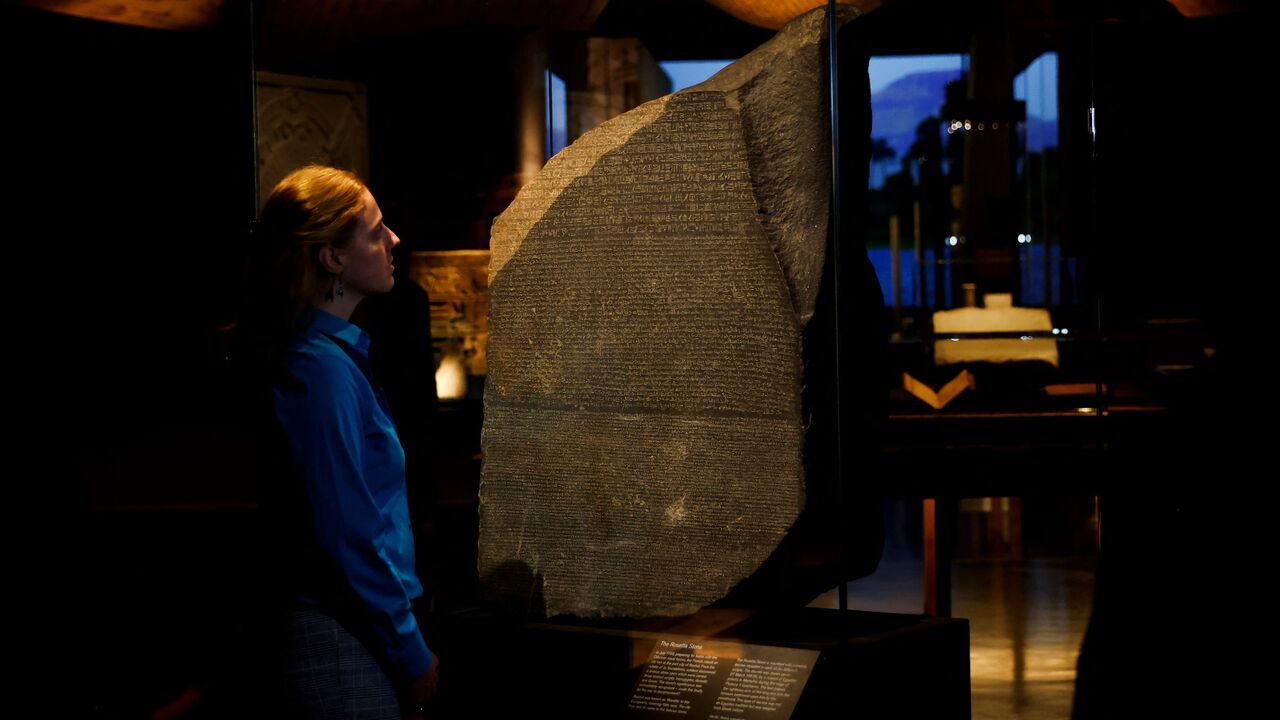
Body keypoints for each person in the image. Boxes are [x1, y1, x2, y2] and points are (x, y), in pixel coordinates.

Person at [252, 164, 439, 719]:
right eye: (376, 230)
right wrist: (409, 650)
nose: (394, 240)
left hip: (355, 629)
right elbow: (348, 530)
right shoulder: (321, 372)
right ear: (333, 258)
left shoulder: (331, 360)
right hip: (344, 639)